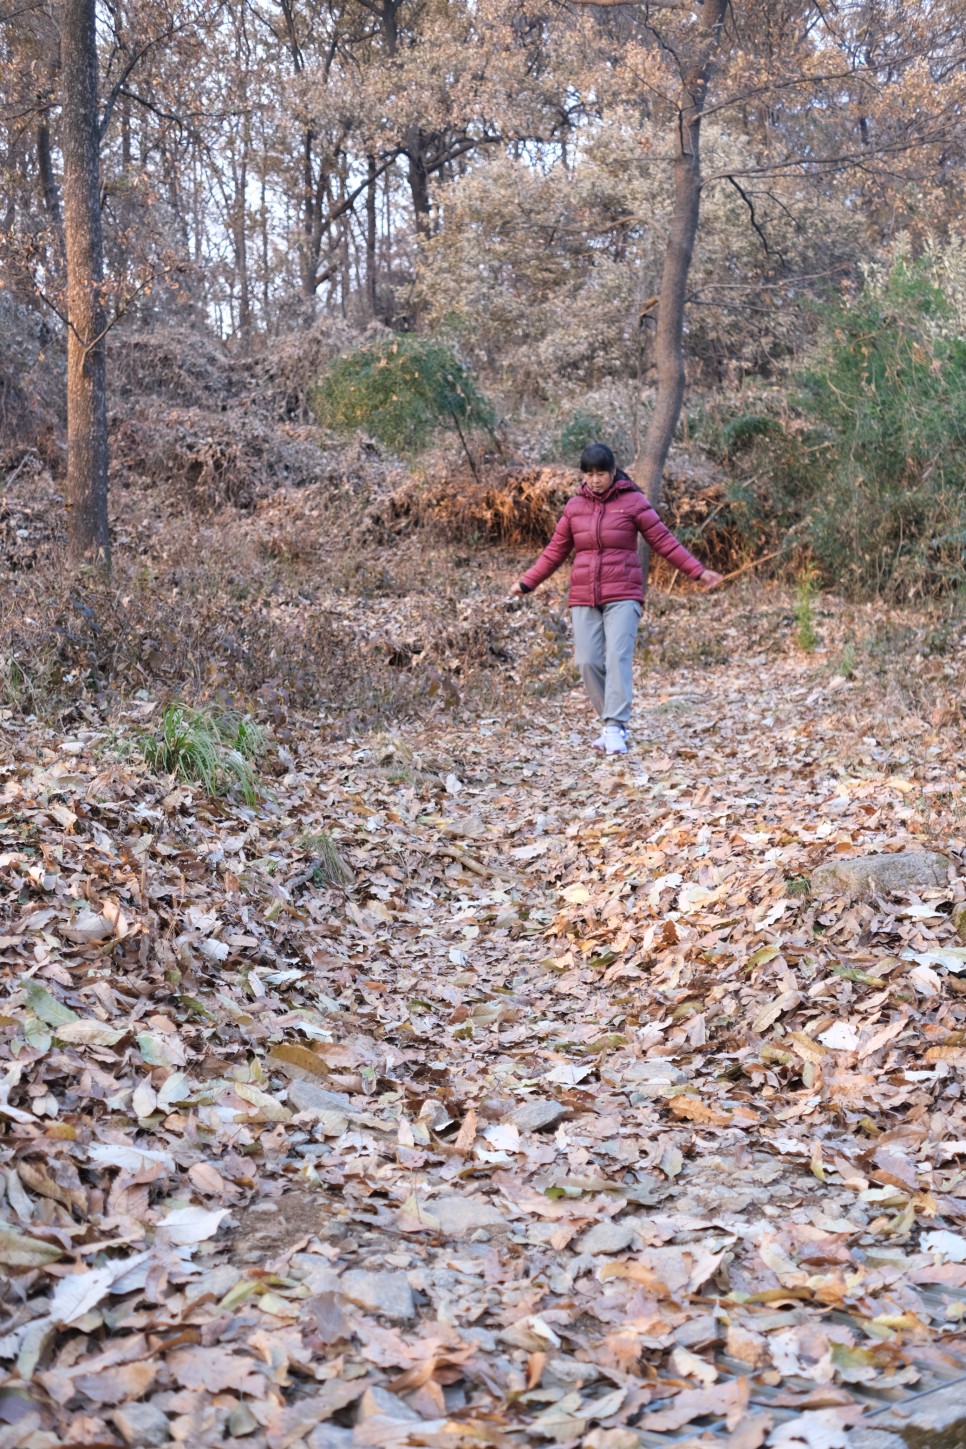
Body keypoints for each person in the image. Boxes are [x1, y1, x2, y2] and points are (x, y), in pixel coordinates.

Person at [509, 443, 723, 754]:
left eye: (601, 474)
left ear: (613, 472)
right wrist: (527, 582)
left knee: (617, 656)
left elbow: (664, 541)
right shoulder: (574, 507)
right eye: (589, 474)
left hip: (624, 592)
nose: (595, 480)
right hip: (584, 594)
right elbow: (555, 551)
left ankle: (613, 726)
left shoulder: (633, 502)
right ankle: (611, 723)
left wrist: (698, 572)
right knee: (586, 661)